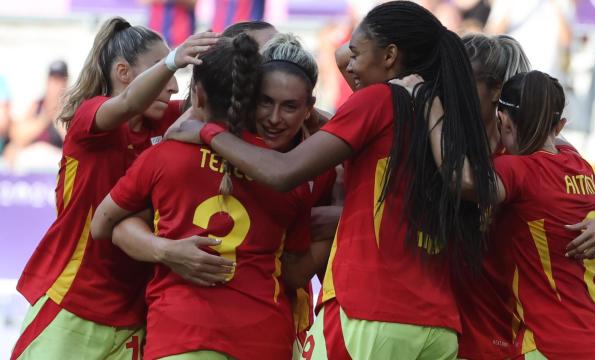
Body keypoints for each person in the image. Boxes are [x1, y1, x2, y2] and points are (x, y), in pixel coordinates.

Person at [168, 2, 497, 358]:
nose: (348, 63)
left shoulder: (379, 100)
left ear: (390, 55)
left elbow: (281, 172)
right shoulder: (438, 108)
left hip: (370, 314)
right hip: (437, 326)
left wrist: (207, 132)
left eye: (357, 52)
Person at [91, 32, 319, 360]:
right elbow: (295, 270)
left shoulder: (163, 157)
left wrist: (165, 250)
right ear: (254, 97)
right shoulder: (293, 177)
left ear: (197, 95)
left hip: (181, 335)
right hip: (263, 339)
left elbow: (103, 225)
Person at [10, 17, 216, 360]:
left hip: (135, 313)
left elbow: (220, 108)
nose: (172, 88)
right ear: (123, 73)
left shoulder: (162, 119)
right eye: (160, 73)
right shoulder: (89, 119)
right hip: (73, 302)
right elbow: (127, 104)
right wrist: (172, 61)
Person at [449, 33, 595, 359]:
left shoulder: (526, 162)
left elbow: (464, 183)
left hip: (534, 337)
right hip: (478, 327)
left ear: (497, 96)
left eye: (462, 82)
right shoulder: (477, 151)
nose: (453, 93)